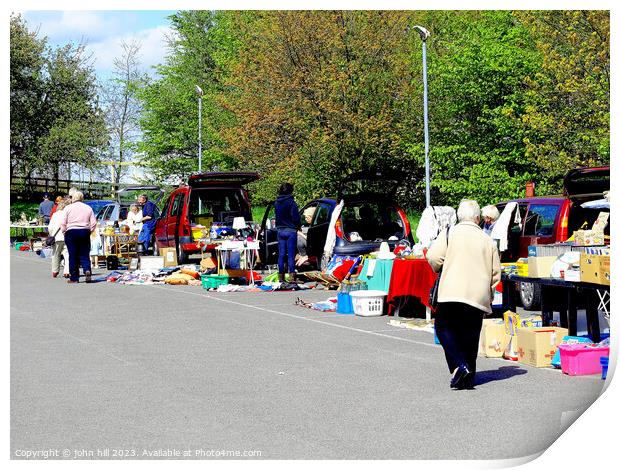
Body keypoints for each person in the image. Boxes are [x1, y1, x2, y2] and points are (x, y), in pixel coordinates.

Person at [427, 199, 501, 390]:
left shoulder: (449, 233)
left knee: (444, 329)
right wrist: (489, 294)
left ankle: (460, 366)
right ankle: (468, 377)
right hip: (477, 296)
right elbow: (495, 274)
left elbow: (433, 257)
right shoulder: (487, 240)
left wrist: (439, 267)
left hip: (451, 291)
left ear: (460, 216)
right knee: (470, 336)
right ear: (477, 218)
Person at [60, 191, 97, 283]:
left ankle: (74, 277)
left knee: (73, 255)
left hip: (71, 232)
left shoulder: (68, 208)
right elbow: (93, 223)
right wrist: (89, 231)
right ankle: (87, 269)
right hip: (84, 231)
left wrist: (64, 231)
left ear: (73, 198)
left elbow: (63, 222)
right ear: (82, 198)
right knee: (84, 253)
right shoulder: (88, 208)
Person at [274, 183, 300, 283]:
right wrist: (298, 225)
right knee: (291, 255)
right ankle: (292, 277)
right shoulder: (291, 202)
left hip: (280, 230)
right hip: (291, 230)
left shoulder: (277, 203)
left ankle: (281, 277)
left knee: (281, 254)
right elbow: (295, 217)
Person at [47, 198, 71, 278]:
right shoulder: (68, 214)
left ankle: (55, 271)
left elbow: (50, 227)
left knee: (55, 254)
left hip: (56, 237)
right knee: (67, 255)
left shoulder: (55, 214)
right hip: (66, 236)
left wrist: (52, 234)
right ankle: (67, 271)